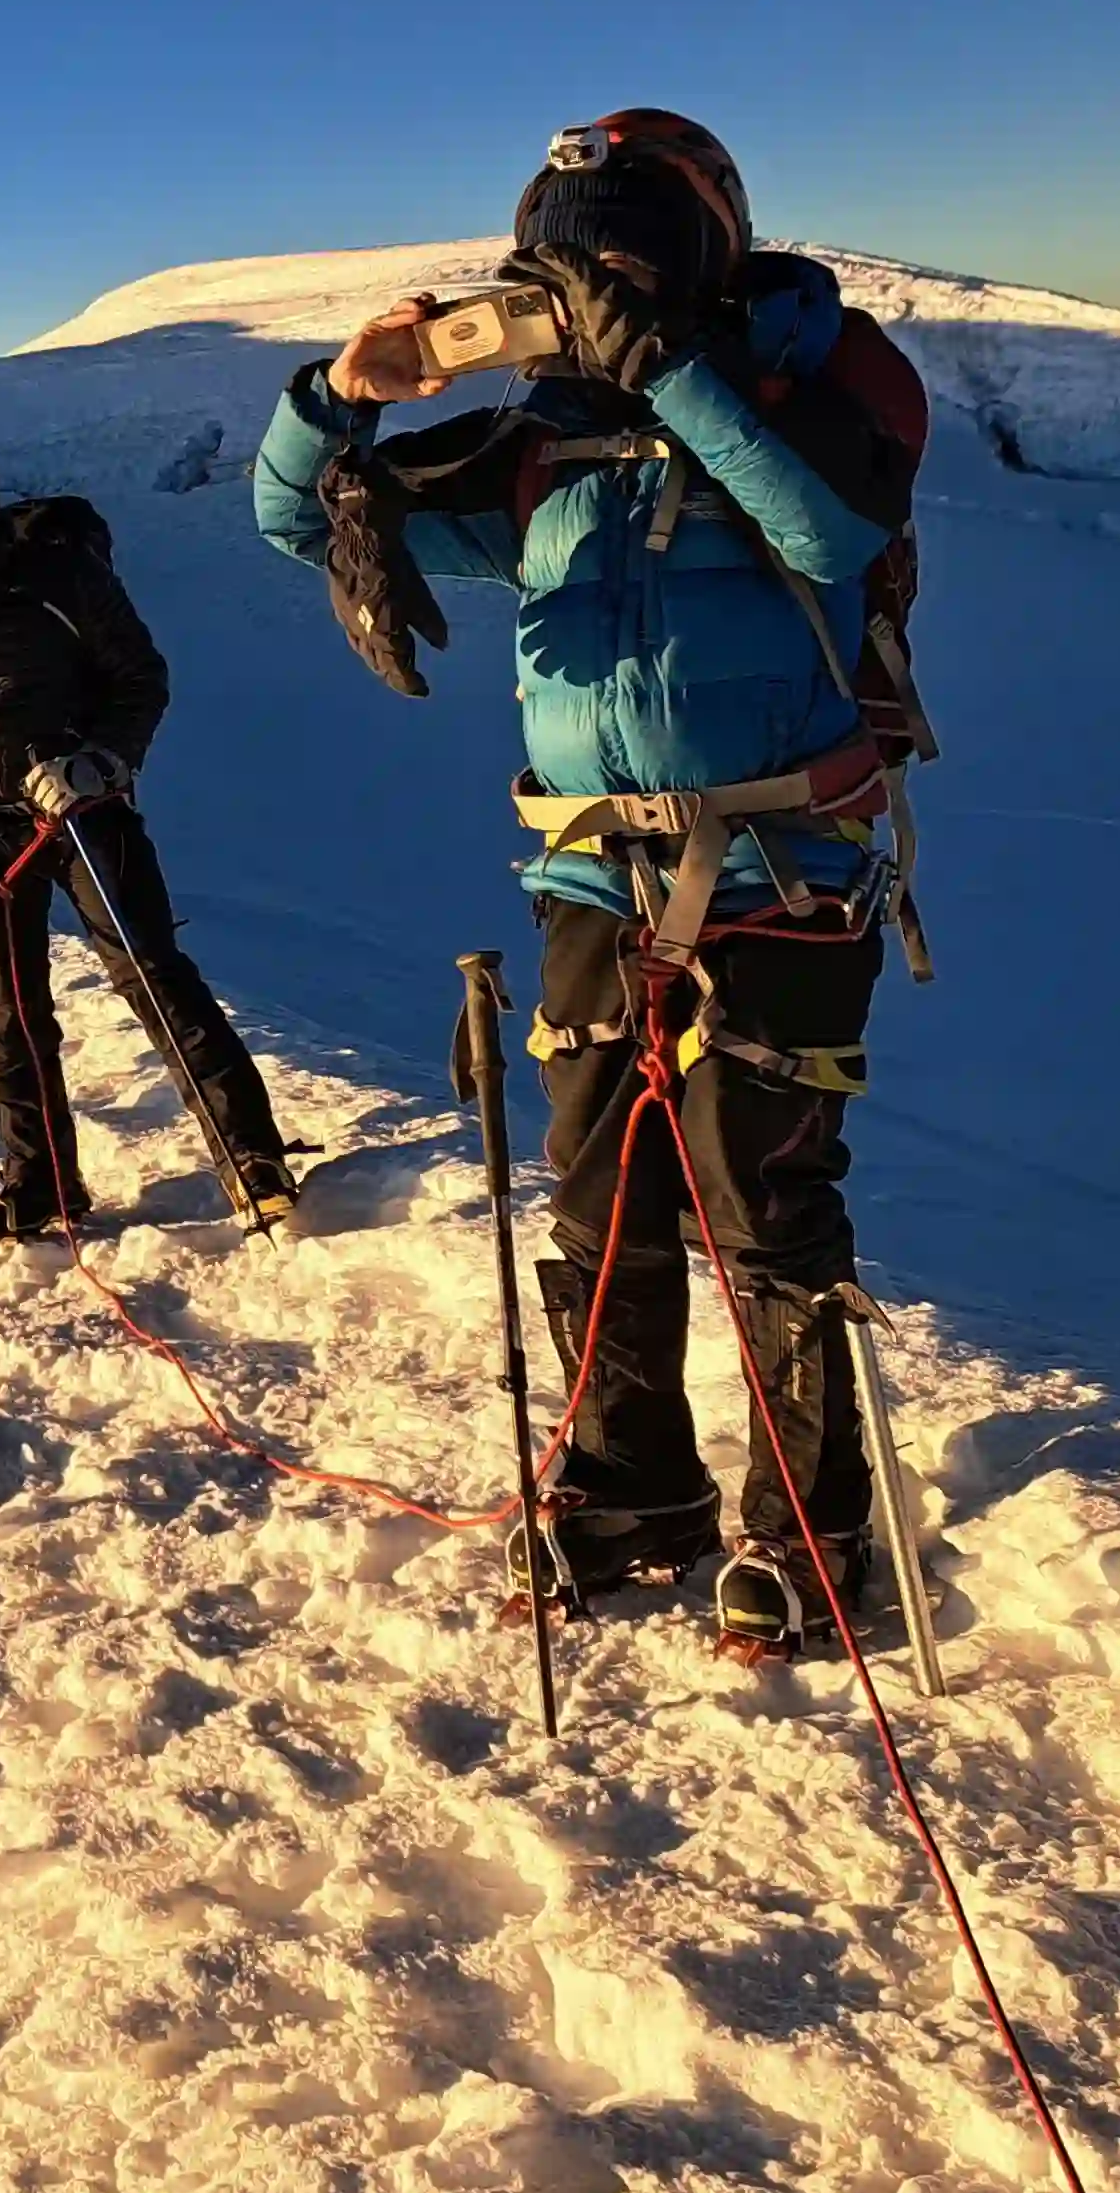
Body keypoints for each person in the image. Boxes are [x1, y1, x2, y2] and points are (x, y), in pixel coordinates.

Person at [250, 109, 931, 1662]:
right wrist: (338, 400)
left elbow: (830, 525)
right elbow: (298, 521)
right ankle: (632, 1489)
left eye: (622, 244)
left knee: (760, 1199)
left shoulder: (818, 380)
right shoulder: (538, 446)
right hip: (585, 869)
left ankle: (813, 1533)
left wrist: (667, 366)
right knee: (601, 1192)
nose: (590, 276)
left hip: (779, 860)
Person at [0, 428, 302, 1242]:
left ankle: (251, 1158)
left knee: (154, 979)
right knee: (13, 1010)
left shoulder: (62, 577)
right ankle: (42, 1185)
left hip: (86, 812)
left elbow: (141, 677)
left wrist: (100, 760)